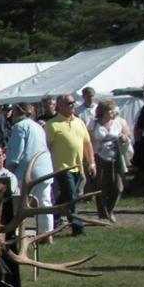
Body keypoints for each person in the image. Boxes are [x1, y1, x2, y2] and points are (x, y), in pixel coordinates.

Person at [44, 93, 96, 236]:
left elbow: (87, 144)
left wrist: (91, 163)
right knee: (72, 197)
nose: (72, 105)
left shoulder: (79, 122)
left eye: (73, 103)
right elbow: (46, 148)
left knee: (66, 197)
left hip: (78, 167)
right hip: (62, 168)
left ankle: (53, 216)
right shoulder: (52, 125)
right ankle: (78, 228)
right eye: (69, 103)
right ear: (59, 106)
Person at [6, 103, 55, 237]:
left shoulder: (19, 127)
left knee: (19, 204)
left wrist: (10, 169)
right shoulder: (37, 126)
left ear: (18, 112)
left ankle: (17, 234)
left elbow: (17, 152)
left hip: (27, 171)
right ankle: (46, 234)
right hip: (44, 168)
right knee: (44, 202)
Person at [89, 99, 129, 222]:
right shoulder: (94, 124)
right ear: (102, 112)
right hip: (99, 157)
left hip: (116, 158)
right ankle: (103, 213)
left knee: (118, 187)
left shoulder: (118, 123)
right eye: (109, 110)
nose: (112, 112)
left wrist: (124, 137)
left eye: (112, 110)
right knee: (101, 186)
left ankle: (109, 210)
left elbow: (126, 134)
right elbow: (88, 139)